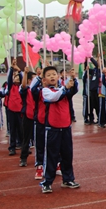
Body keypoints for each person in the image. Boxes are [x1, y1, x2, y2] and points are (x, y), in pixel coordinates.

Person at [40, 66, 79, 194]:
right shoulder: (45, 91)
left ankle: (67, 179)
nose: (52, 76)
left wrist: (73, 78)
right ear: (44, 79)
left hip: (65, 127)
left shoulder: (62, 89)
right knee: (51, 156)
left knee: (67, 155)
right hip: (52, 128)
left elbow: (72, 90)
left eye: (54, 74)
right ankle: (47, 182)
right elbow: (54, 97)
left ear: (58, 76)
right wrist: (66, 87)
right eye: (49, 75)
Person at [18, 67, 37, 167]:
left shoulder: (37, 90)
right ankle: (23, 158)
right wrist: (25, 73)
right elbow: (23, 85)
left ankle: (40, 159)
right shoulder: (26, 90)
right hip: (28, 116)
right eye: (34, 78)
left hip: (38, 116)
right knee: (26, 138)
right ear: (30, 80)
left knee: (39, 139)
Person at [5, 60, 23, 154]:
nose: (16, 79)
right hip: (11, 110)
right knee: (12, 129)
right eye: (15, 78)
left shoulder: (21, 87)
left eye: (18, 78)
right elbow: (9, 78)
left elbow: (22, 77)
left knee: (21, 129)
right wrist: (12, 68)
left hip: (20, 111)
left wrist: (19, 71)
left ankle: (23, 146)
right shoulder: (11, 87)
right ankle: (12, 147)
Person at [82, 56, 100, 124]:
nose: (98, 62)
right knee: (90, 106)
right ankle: (90, 119)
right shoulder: (94, 70)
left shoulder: (100, 70)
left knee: (97, 106)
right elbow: (87, 70)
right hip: (91, 91)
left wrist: (91, 57)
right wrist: (86, 61)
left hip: (97, 91)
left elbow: (97, 64)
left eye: (100, 61)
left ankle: (99, 118)